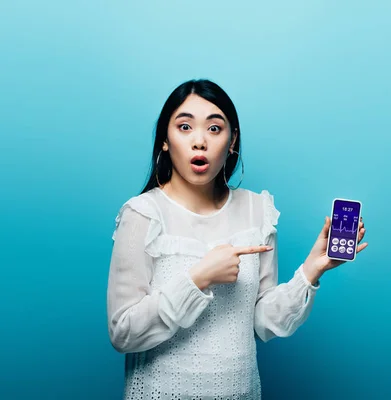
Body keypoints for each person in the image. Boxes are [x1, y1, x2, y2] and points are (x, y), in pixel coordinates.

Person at [106, 79, 368, 399]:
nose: (199, 141)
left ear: (232, 142)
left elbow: (261, 322)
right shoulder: (143, 214)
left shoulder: (258, 210)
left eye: (214, 129)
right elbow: (122, 332)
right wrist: (199, 278)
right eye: (185, 127)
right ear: (164, 139)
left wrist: (311, 271)